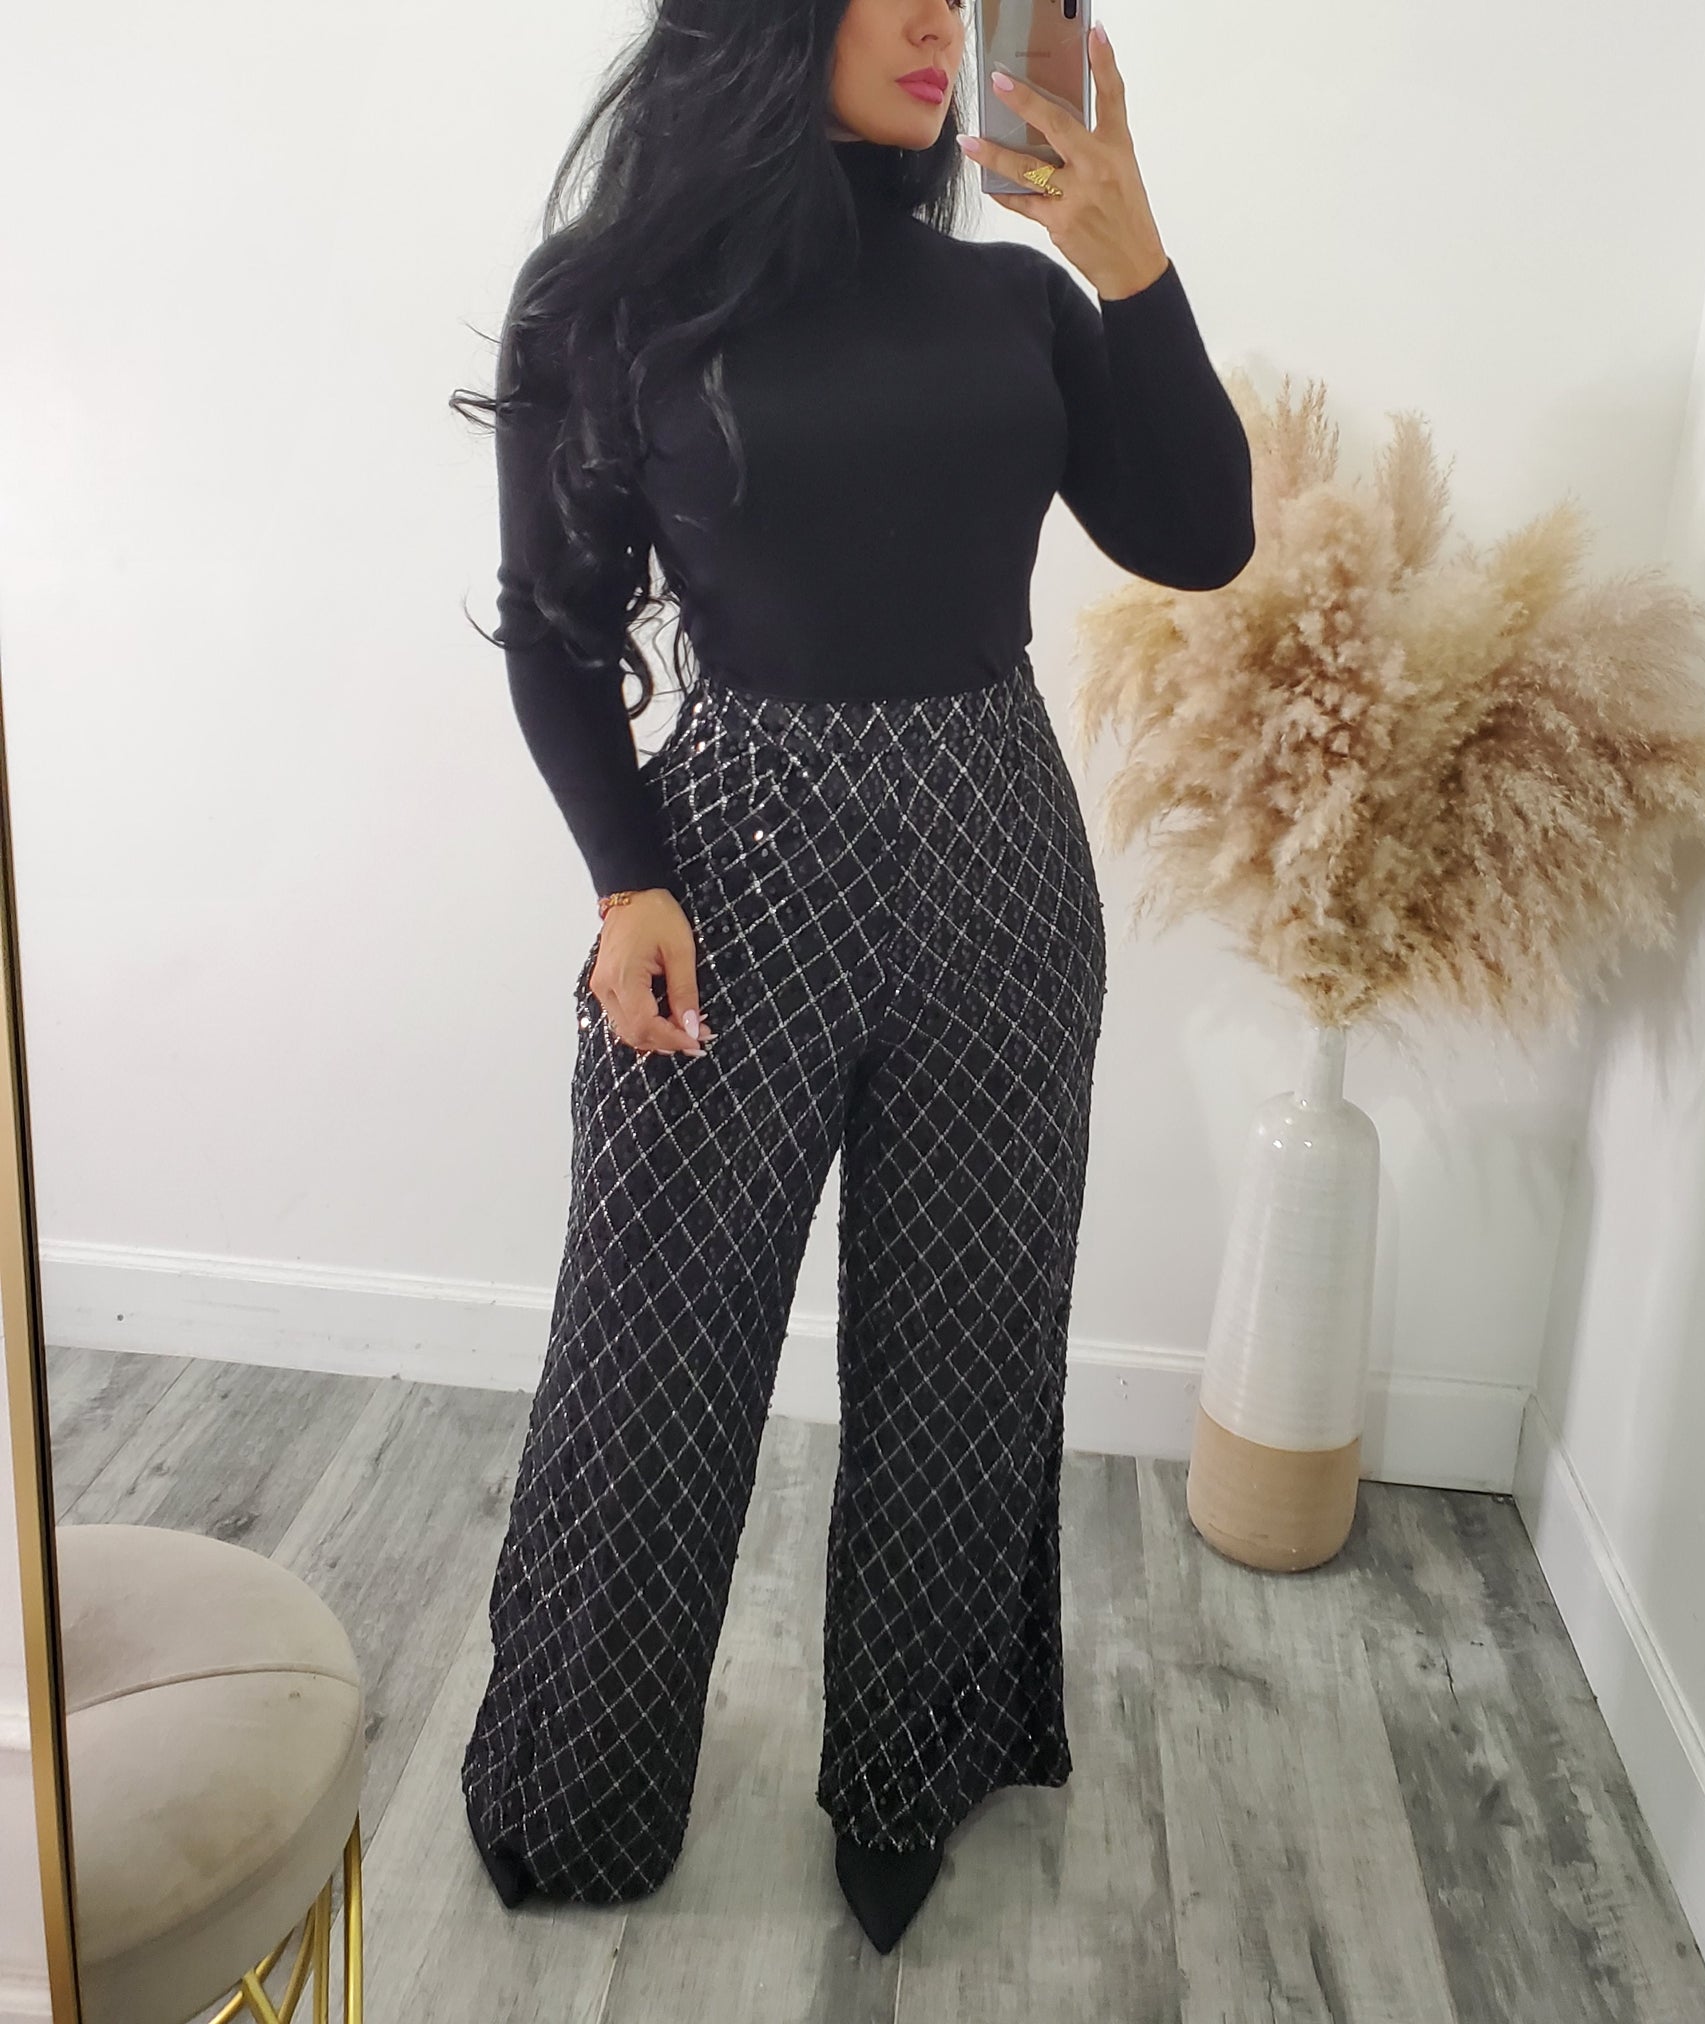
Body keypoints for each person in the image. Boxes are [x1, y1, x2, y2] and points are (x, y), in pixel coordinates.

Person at [455, 0, 1254, 1955]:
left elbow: (1202, 535)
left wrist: (1131, 251)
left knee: (970, 1337)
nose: (931, 21)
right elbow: (555, 630)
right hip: (732, 856)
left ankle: (912, 1775)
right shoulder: (609, 302)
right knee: (654, 1338)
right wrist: (625, 880)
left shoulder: (1016, 304)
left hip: (997, 850)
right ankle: (578, 1780)